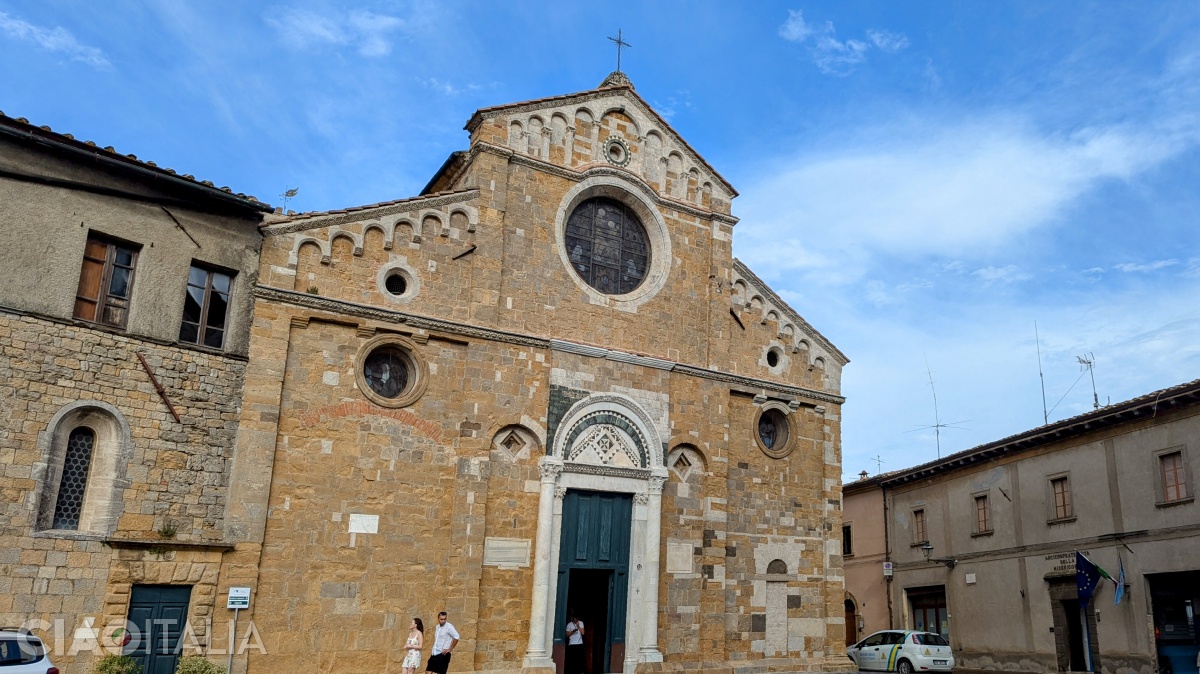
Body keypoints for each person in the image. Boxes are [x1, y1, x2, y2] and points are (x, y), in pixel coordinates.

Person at [564, 608, 585, 674]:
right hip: (572, 644)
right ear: (573, 618)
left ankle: (579, 671)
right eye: (574, 618)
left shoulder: (581, 623)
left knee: (579, 659)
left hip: (579, 644)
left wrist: (578, 626)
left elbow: (583, 633)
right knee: (572, 660)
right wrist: (572, 632)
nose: (576, 620)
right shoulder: (569, 624)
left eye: (577, 618)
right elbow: (567, 635)